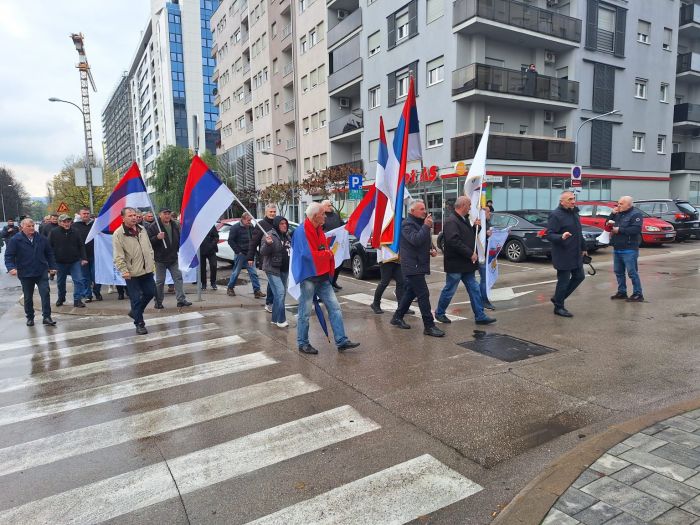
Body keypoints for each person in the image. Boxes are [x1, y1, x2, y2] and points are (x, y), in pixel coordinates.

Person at [296, 202, 360, 354]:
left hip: (322, 276)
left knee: (335, 308)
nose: (325, 216)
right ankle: (303, 343)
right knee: (304, 313)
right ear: (314, 216)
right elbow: (307, 254)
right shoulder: (301, 231)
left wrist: (325, 253)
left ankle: (341, 340)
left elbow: (321, 250)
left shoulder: (318, 229)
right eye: (322, 214)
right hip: (309, 277)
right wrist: (327, 254)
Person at [435, 196, 497, 326]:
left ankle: (480, 316)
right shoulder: (451, 221)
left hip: (466, 265)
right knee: (450, 289)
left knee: (474, 289)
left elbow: (468, 237)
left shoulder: (463, 219)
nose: (470, 207)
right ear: (462, 206)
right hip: (456, 264)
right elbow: (454, 241)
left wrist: (476, 228)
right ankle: (440, 313)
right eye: (469, 205)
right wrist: (470, 254)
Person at [390, 199, 444, 337]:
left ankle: (397, 317)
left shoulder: (420, 223)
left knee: (410, 292)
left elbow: (422, 242)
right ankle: (429, 326)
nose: (424, 211)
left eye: (424, 209)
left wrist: (431, 249)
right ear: (412, 211)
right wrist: (426, 226)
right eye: (421, 209)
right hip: (412, 265)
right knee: (423, 294)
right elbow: (415, 240)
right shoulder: (406, 224)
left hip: (418, 263)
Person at [4, 218, 57, 326]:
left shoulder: (41, 238)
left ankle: (47, 317)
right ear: (22, 227)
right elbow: (9, 256)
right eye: (28, 226)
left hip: (41, 271)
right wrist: (11, 268)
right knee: (28, 297)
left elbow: (49, 254)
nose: (32, 228)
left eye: (32, 225)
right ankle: (30, 317)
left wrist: (52, 266)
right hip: (25, 273)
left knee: (45, 294)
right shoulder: (15, 240)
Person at [113, 207, 156, 335]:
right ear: (123, 218)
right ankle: (139, 323)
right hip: (131, 273)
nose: (134, 218)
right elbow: (118, 256)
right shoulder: (118, 234)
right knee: (135, 299)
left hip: (146, 270)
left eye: (135, 215)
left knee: (150, 292)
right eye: (130, 215)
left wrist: (151, 262)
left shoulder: (142, 230)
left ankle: (135, 312)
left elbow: (149, 248)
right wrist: (124, 270)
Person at [546, 191, 587, 317]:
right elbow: (550, 234)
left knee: (580, 276)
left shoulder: (575, 213)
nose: (573, 201)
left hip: (575, 253)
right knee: (563, 281)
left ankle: (558, 297)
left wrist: (584, 247)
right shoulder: (556, 215)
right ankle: (559, 307)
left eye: (574, 198)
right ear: (562, 201)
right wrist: (561, 237)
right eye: (570, 199)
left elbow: (579, 233)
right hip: (563, 253)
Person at [146, 208, 192, 309]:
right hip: (160, 259)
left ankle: (181, 300)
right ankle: (158, 302)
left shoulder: (175, 224)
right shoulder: (153, 226)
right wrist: (157, 238)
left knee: (178, 278)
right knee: (160, 281)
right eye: (165, 214)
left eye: (168, 214)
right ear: (160, 215)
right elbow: (148, 242)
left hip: (173, 257)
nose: (167, 216)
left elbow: (179, 237)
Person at [608, 196, 645, 302]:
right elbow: (608, 224)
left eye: (621, 204)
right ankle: (622, 292)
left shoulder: (636, 214)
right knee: (618, 272)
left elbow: (636, 229)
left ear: (629, 205)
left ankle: (638, 294)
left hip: (629, 248)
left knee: (632, 272)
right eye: (618, 203)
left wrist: (619, 230)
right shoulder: (617, 214)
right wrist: (612, 214)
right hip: (617, 247)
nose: (618, 205)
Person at [49, 214, 88, 308]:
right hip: (60, 262)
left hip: (74, 261)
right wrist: (51, 263)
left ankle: (77, 300)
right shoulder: (54, 232)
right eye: (64, 222)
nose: (66, 224)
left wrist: (84, 258)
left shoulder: (75, 231)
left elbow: (81, 245)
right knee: (61, 282)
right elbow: (49, 247)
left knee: (78, 280)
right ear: (60, 223)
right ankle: (61, 297)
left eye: (68, 221)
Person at [260, 216, 291, 327]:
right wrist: (268, 244)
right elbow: (263, 252)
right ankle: (281, 320)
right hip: (272, 269)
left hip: (284, 268)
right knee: (280, 293)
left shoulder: (286, 235)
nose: (284, 225)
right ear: (277, 225)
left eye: (285, 223)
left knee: (280, 295)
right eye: (281, 223)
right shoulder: (270, 235)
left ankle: (274, 319)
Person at [226, 212, 265, 297]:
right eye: (248, 220)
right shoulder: (235, 228)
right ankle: (230, 288)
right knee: (236, 273)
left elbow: (254, 239)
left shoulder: (251, 227)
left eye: (250, 220)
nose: (250, 221)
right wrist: (238, 251)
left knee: (253, 273)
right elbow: (230, 241)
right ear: (243, 219)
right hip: (240, 254)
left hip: (250, 254)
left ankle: (257, 291)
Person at [247, 204, 278, 309]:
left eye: (274, 212)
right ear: (266, 212)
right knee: (272, 281)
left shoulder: (277, 223)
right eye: (271, 212)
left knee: (275, 281)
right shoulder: (261, 224)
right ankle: (269, 303)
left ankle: (274, 302)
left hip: (279, 257)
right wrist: (250, 257)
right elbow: (253, 242)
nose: (273, 214)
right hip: (267, 258)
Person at [72, 206, 103, 302]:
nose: (86, 215)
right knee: (85, 277)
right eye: (83, 213)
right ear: (80, 215)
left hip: (95, 255)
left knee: (96, 276)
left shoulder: (96, 225)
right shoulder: (75, 226)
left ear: (90, 214)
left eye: (87, 213)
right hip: (82, 256)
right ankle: (88, 295)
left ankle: (97, 291)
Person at [321, 199, 345, 292]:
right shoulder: (322, 216)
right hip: (328, 243)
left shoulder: (336, 215)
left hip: (337, 243)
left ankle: (334, 281)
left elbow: (342, 225)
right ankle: (329, 284)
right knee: (329, 265)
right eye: (329, 205)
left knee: (339, 263)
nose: (331, 207)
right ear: (323, 207)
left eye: (331, 205)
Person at [478, 207, 496, 310]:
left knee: (482, 279)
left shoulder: (487, 223)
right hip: (480, 255)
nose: (490, 214)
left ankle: (482, 301)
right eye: (489, 212)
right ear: (483, 213)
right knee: (484, 279)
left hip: (484, 255)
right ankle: (484, 300)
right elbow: (476, 236)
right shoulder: (479, 224)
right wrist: (485, 233)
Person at [199, 225, 219, 290]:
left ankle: (213, 282)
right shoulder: (198, 225)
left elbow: (216, 237)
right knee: (202, 268)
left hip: (211, 250)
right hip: (201, 250)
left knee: (213, 265)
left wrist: (212, 244)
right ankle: (204, 283)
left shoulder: (211, 225)